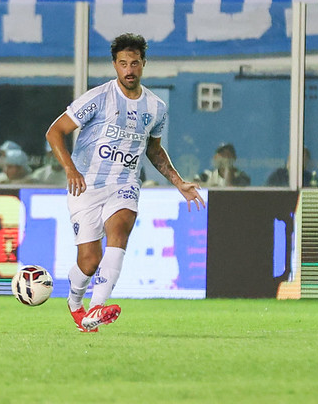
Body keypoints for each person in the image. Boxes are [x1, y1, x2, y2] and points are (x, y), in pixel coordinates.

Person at [45, 33, 205, 332]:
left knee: (119, 231)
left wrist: (178, 181)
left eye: (134, 63)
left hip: (125, 184)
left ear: (143, 64)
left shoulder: (156, 108)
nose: (129, 70)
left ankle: (96, 309)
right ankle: (75, 301)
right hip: (86, 185)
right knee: (89, 262)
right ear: (115, 65)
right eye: (123, 64)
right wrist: (70, 169)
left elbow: (154, 150)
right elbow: (55, 132)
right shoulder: (97, 98)